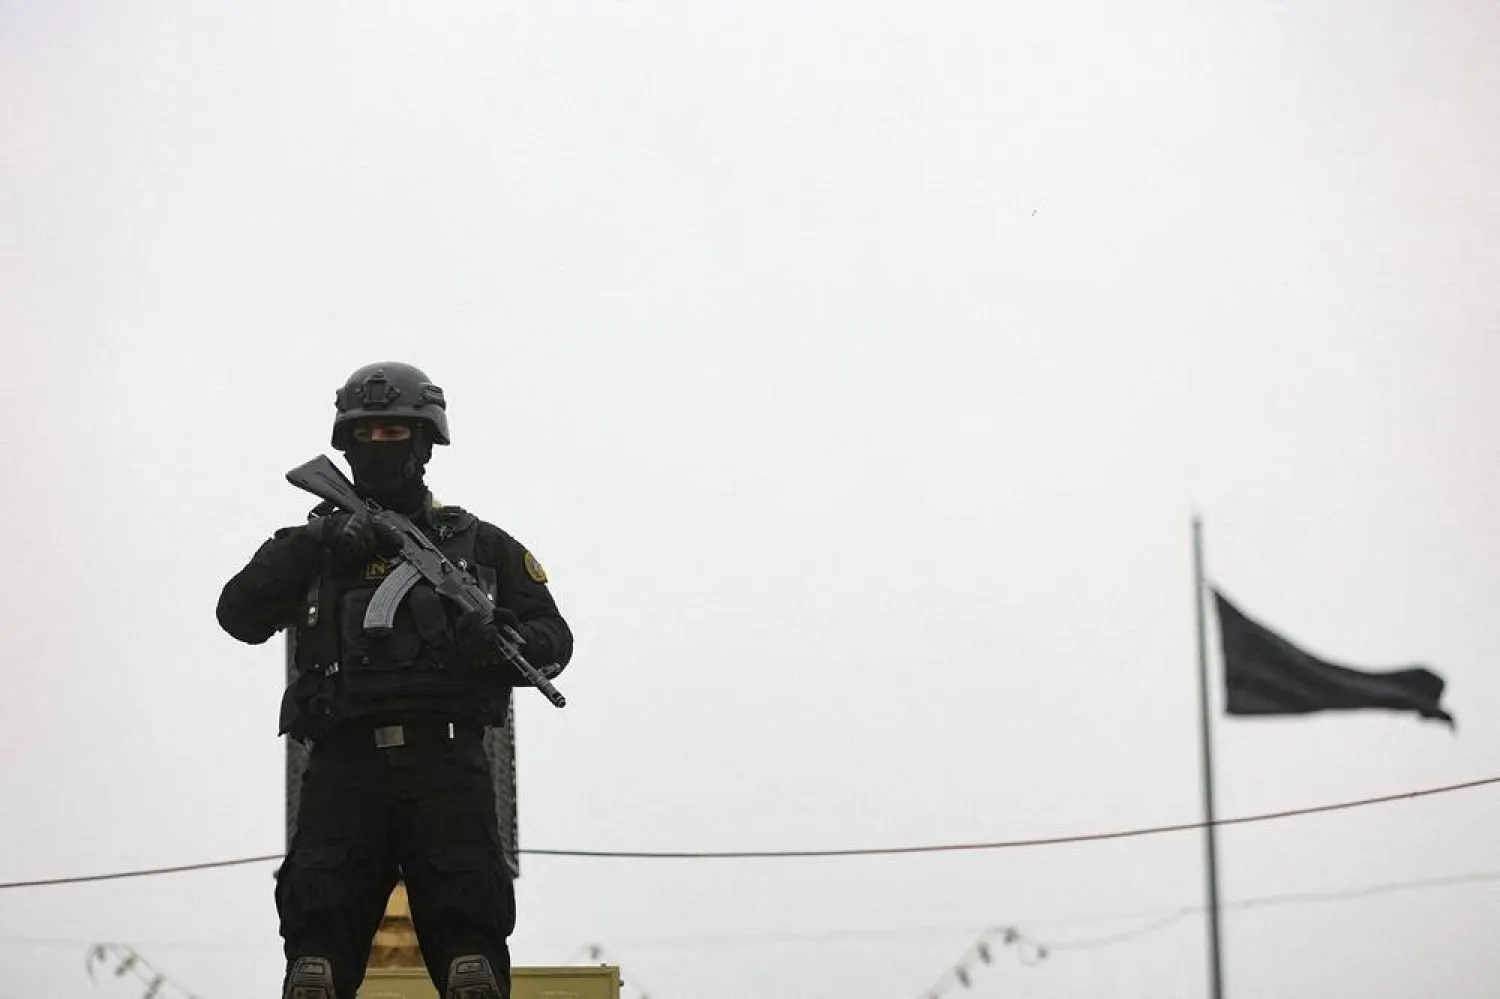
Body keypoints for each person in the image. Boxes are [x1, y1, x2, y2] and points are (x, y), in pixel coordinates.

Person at [215, 362, 573, 999]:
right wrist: (320, 539)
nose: (381, 445)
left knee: (472, 953)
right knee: (315, 958)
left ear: (426, 442)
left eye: (395, 431)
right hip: (342, 760)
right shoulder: (314, 544)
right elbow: (237, 614)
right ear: (346, 445)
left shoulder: (477, 546)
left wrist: (498, 638)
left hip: (446, 757)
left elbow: (554, 642)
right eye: (368, 432)